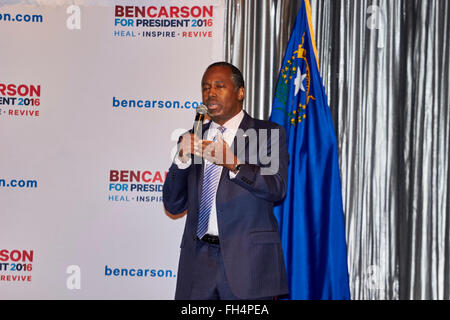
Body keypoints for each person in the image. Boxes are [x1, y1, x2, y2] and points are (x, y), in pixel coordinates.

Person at [163, 62, 289, 300]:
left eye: (219, 86)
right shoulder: (192, 137)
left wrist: (234, 164)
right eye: (206, 87)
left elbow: (276, 189)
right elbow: (173, 204)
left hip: (247, 265)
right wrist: (181, 159)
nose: (210, 92)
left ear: (240, 92)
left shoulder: (267, 134)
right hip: (197, 265)